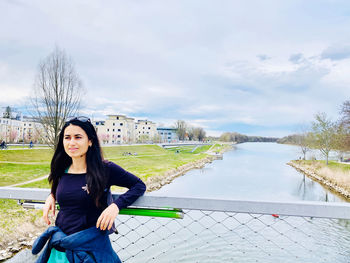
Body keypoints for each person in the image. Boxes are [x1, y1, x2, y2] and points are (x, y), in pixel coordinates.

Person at [34, 116, 146, 262]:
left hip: (91, 250)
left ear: (90, 141)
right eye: (67, 137)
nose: (72, 142)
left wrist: (116, 206)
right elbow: (63, 188)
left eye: (78, 137)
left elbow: (139, 186)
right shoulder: (61, 169)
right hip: (61, 249)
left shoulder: (106, 169)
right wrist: (52, 195)